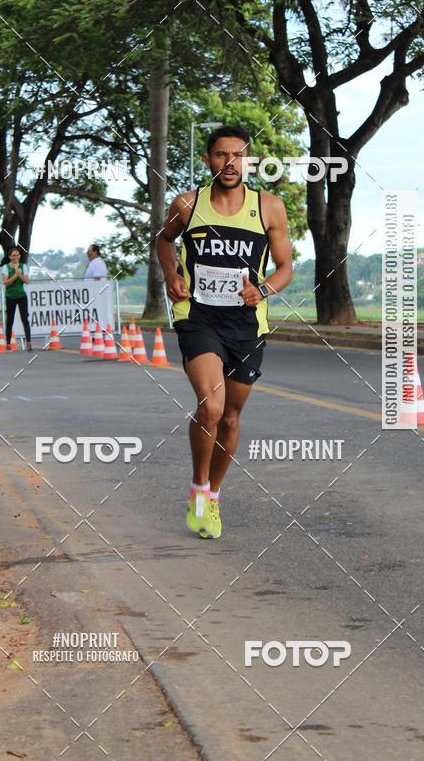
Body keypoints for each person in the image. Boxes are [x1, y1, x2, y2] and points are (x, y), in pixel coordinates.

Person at [157, 125, 293, 539]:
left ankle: (213, 495)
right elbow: (164, 240)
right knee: (211, 407)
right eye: (220, 155)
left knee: (230, 418)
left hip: (245, 324)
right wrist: (171, 274)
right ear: (208, 160)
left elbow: (286, 267)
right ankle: (199, 489)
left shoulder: (269, 207)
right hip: (198, 316)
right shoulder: (188, 204)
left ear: (248, 161)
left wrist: (263, 289)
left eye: (237, 155)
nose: (229, 163)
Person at [1, 247, 33, 351]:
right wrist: (16, 275)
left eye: (17, 255)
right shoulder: (6, 267)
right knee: (10, 320)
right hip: (10, 296)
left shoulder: (23, 266)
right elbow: (6, 282)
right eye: (13, 255)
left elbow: (26, 281)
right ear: (10, 257)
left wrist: (20, 275)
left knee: (25, 319)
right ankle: (8, 343)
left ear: (19, 256)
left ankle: (28, 342)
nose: (15, 257)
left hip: (21, 296)